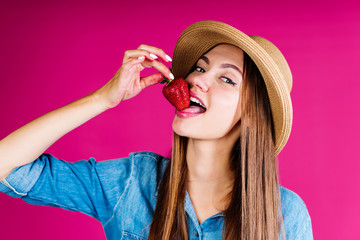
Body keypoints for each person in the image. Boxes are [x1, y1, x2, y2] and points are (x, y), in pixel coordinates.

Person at [0, 20, 313, 239]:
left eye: (226, 79)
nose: (197, 80)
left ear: (251, 115)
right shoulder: (132, 182)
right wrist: (103, 99)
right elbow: (6, 167)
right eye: (200, 68)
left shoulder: (286, 214)